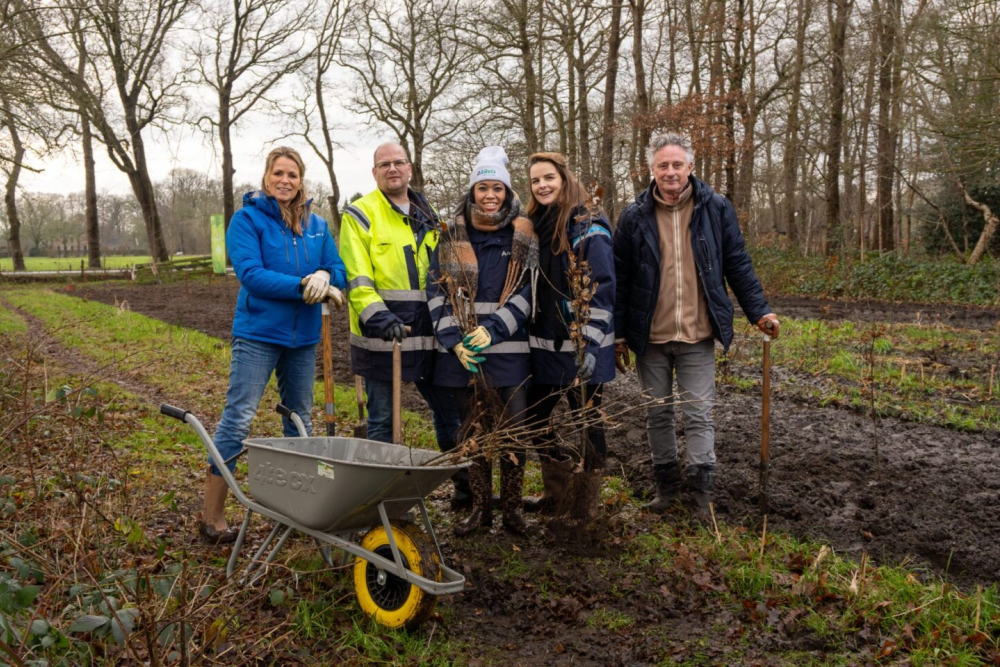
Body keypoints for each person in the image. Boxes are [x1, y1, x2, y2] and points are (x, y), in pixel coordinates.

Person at [612, 132, 780, 519]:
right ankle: (666, 488)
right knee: (657, 413)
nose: (670, 172)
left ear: (690, 167)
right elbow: (619, 278)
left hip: (697, 333)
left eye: (677, 164)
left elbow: (737, 262)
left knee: (698, 413)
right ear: (651, 170)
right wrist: (619, 334)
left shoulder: (715, 208)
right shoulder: (633, 216)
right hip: (650, 335)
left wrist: (760, 312)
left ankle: (702, 496)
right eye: (662, 165)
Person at [202, 146, 347, 543]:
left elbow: (339, 269)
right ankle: (212, 515)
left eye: (293, 174)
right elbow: (252, 275)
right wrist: (304, 285)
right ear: (266, 177)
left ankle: (297, 510)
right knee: (238, 418)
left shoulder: (317, 225)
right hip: (259, 334)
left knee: (299, 419)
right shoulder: (247, 221)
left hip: (303, 339)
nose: (285, 180)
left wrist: (324, 273)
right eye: (278, 173)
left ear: (302, 180)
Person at [339, 142, 465, 503]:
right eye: (384, 164)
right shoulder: (360, 214)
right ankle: (380, 498)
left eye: (398, 163)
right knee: (381, 421)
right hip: (386, 338)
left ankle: (465, 489)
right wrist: (379, 317)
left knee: (451, 416)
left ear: (410, 168)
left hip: (432, 334)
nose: (392, 169)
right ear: (374, 172)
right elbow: (357, 277)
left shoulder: (429, 213)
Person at [427, 146, 538, 535]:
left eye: (498, 189)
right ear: (472, 191)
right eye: (482, 188)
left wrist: (495, 328)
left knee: (513, 431)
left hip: (510, 353)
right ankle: (480, 510)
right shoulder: (450, 234)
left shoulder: (523, 234)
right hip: (464, 357)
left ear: (507, 193)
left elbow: (529, 291)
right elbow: (436, 292)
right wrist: (454, 341)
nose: (490, 195)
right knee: (472, 434)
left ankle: (511, 510)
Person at [522, 152, 616, 516]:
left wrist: (590, 342)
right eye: (535, 181)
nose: (542, 185)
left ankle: (585, 504)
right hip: (545, 345)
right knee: (533, 417)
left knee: (588, 421)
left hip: (583, 348)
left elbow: (603, 286)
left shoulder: (588, 225)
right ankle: (557, 494)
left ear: (564, 179)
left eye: (549, 178)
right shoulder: (533, 226)